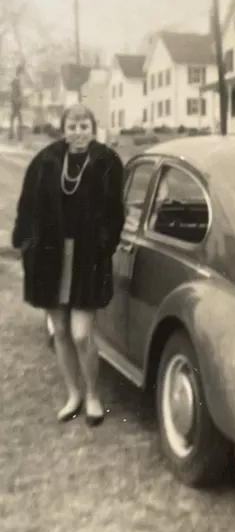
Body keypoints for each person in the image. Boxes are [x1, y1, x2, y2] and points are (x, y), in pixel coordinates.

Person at [12, 103, 125, 426]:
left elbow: (116, 211)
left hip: (87, 258)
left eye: (84, 126)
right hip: (49, 258)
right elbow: (27, 204)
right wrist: (26, 242)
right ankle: (73, 393)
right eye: (73, 127)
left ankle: (92, 394)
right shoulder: (46, 160)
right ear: (64, 129)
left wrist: (105, 244)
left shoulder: (107, 161)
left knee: (80, 333)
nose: (79, 133)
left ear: (93, 128)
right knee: (59, 329)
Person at [9, 64, 24, 142]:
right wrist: (17, 99)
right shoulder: (15, 81)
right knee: (17, 118)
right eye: (22, 72)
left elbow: (19, 91)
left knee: (14, 117)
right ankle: (18, 136)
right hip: (16, 102)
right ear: (19, 72)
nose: (22, 74)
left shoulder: (17, 80)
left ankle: (13, 135)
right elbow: (14, 92)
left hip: (17, 101)